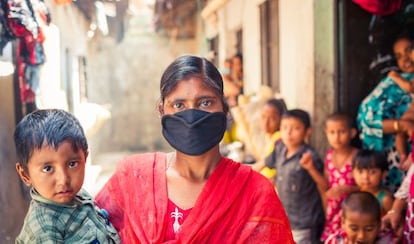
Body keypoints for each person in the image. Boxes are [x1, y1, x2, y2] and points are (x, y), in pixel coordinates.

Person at [95, 55, 295, 243]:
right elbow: (84, 231)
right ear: (162, 111)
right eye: (179, 105)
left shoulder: (255, 193)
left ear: (224, 109)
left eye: (205, 102)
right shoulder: (133, 179)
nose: (192, 116)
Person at [14, 109, 120, 243]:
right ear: (25, 175)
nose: (63, 180)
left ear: (85, 159)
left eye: (72, 164)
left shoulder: (79, 195)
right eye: (48, 168)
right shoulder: (44, 229)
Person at [357, 36, 414, 193]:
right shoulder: (391, 83)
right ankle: (403, 156)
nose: (406, 59)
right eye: (399, 56)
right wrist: (400, 125)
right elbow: (367, 118)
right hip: (393, 159)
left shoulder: (399, 80)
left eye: (409, 50)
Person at [264, 109, 325, 243]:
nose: (289, 132)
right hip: (286, 218)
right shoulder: (280, 148)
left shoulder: (309, 156)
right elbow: (263, 164)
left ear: (307, 132)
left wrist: (310, 168)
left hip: (305, 222)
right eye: (284, 127)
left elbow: (324, 186)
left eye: (295, 128)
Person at [320, 112, 359, 242]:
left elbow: (367, 186)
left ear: (352, 133)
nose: (336, 137)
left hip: (353, 209)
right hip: (333, 211)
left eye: (341, 132)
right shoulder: (329, 155)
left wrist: (348, 189)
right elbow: (326, 185)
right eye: (332, 132)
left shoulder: (356, 156)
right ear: (326, 133)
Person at [325, 191, 393, 244]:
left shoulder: (387, 240)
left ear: (379, 225)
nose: (361, 236)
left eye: (369, 229)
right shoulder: (335, 241)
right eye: (354, 229)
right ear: (343, 223)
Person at [351, 150, 394, 216]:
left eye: (372, 172)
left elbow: (395, 221)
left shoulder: (385, 199)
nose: (365, 177)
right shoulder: (358, 193)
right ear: (353, 173)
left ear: (383, 174)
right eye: (360, 172)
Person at [258, 98, 287, 179]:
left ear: (281, 120)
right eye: (263, 117)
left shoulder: (280, 139)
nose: (265, 123)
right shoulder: (269, 137)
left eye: (272, 119)